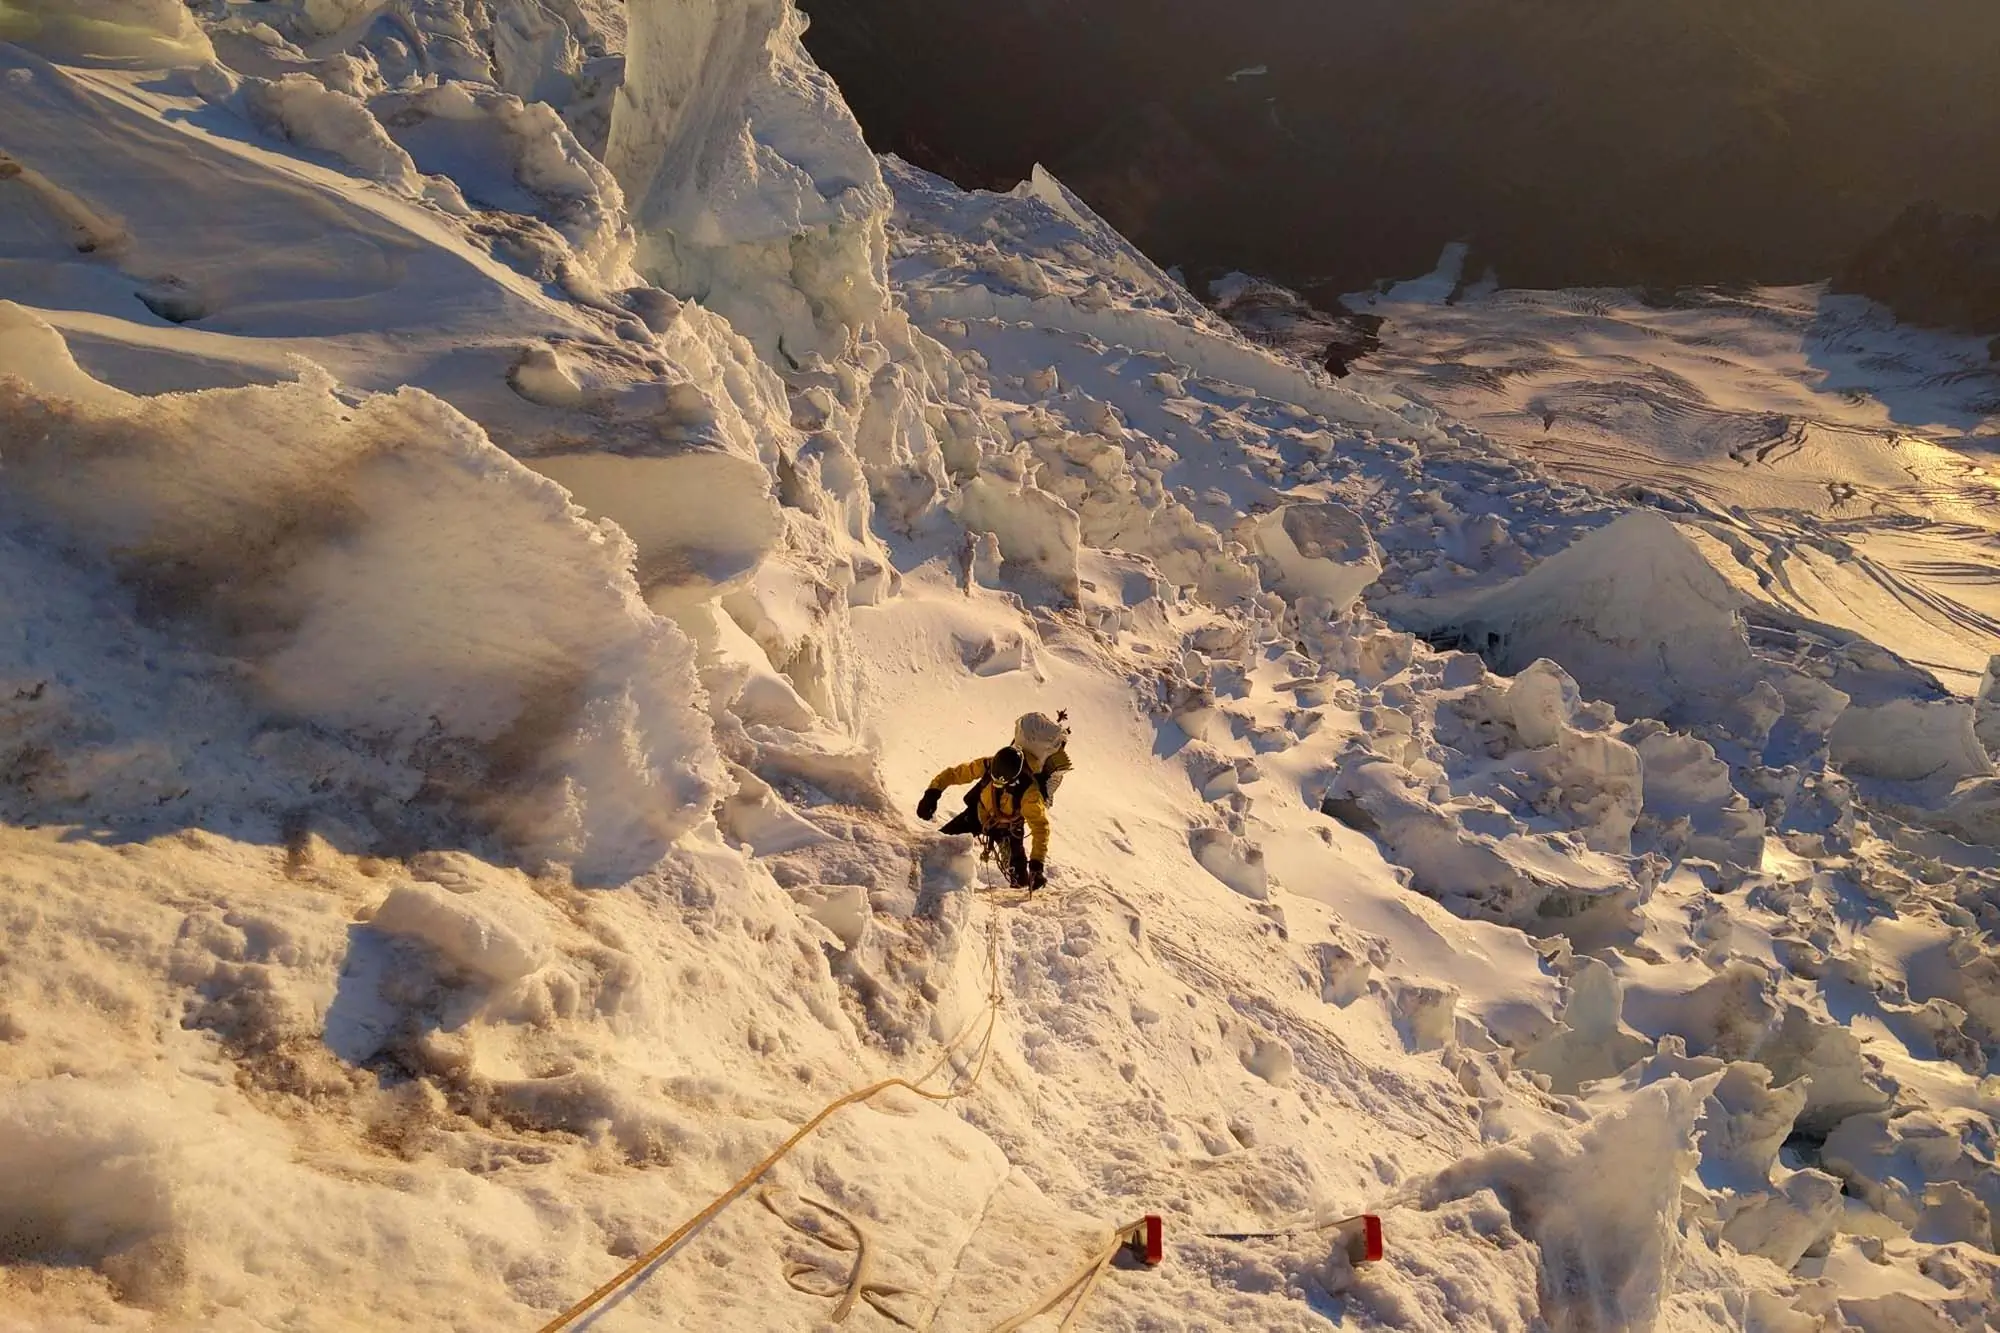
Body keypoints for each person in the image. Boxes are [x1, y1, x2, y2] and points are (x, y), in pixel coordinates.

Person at [916, 745, 1049, 889]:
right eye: (995, 780)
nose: (997, 785)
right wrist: (932, 793)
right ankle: (921, 871)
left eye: (1001, 783)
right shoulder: (987, 765)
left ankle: (1022, 886)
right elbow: (955, 774)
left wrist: (1037, 865)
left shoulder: (1030, 793)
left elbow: (1040, 828)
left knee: (1019, 878)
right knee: (940, 842)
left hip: (1008, 830)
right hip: (979, 815)